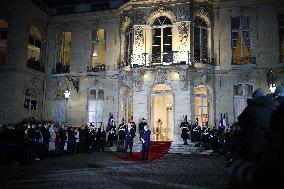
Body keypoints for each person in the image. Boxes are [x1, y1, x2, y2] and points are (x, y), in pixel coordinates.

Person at [237, 88, 274, 161]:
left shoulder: (251, 108)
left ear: (254, 98)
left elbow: (241, 121)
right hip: (269, 142)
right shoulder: (272, 108)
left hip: (253, 141)